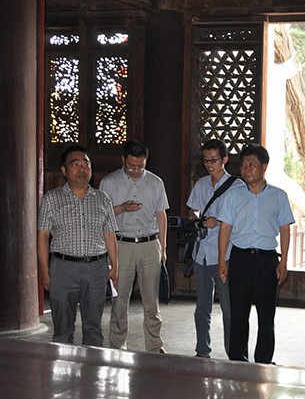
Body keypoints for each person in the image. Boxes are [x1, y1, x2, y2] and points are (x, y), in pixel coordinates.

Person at [216, 144, 294, 364]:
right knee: (238, 314)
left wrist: (283, 262)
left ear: (264, 167)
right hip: (240, 259)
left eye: (251, 164)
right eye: (243, 165)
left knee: (266, 316)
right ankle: (238, 362)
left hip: (267, 261)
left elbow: (285, 229)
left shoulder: (279, 196)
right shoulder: (234, 195)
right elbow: (225, 228)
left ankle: (264, 362)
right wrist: (222, 260)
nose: (246, 169)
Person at [38, 145, 119, 346]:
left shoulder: (103, 199)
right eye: (75, 164)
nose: (82, 169)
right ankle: (62, 365)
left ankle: (92, 365)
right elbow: (43, 237)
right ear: (64, 170)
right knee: (63, 329)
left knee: (94, 328)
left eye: (86, 164)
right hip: (63, 268)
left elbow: (110, 234)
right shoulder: (51, 199)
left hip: (96, 268)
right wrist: (45, 271)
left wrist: (115, 266)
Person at [99, 139, 169, 353]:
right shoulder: (109, 183)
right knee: (119, 299)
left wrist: (163, 248)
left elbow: (161, 215)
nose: (136, 171)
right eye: (131, 166)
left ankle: (155, 345)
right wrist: (121, 208)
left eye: (140, 166)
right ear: (123, 160)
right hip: (121, 245)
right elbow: (101, 216)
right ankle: (118, 346)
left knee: (151, 300)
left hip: (149, 244)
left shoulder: (156, 182)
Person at [186, 139, 244, 358]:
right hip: (200, 252)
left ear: (225, 160)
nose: (209, 164)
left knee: (228, 308)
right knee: (202, 307)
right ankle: (202, 351)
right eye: (206, 160)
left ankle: (233, 354)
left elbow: (241, 219)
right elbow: (192, 210)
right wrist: (194, 217)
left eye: (214, 160)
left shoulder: (237, 187)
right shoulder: (201, 184)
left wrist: (218, 221)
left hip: (225, 255)